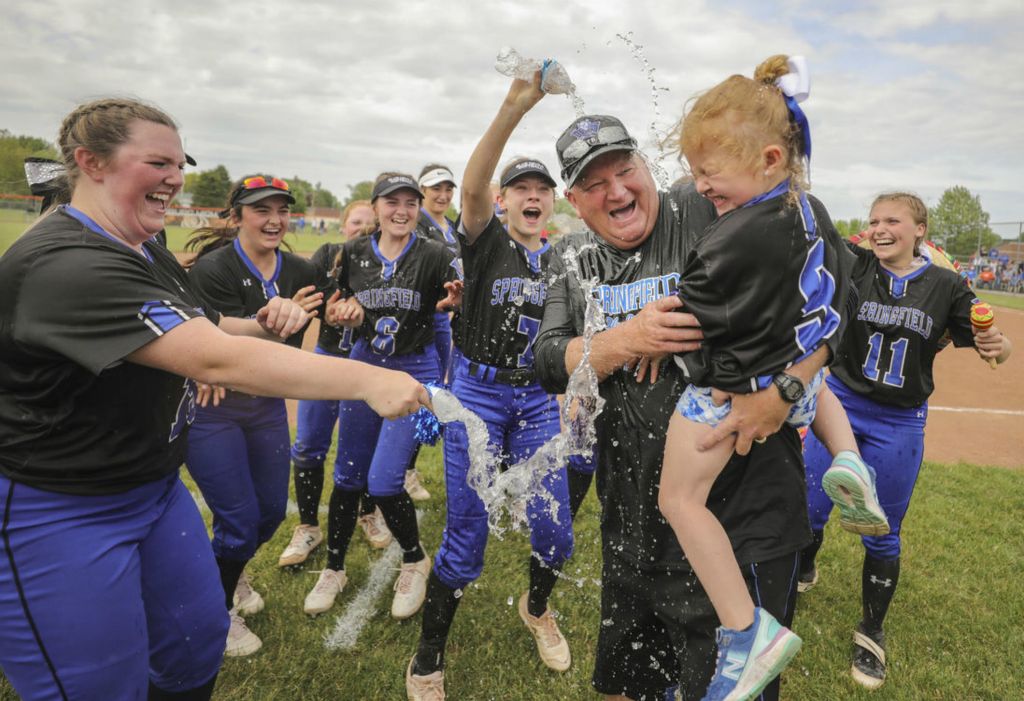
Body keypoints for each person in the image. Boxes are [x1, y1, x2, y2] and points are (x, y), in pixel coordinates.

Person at [0, 98, 427, 701]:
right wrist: (366, 380)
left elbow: (208, 329)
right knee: (98, 686)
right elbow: (212, 357)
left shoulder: (146, 249)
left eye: (180, 162)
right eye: (158, 162)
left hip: (153, 487)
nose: (175, 177)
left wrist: (264, 322)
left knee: (196, 646)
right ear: (89, 163)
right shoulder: (66, 262)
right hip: (59, 508)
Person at [528, 85, 851, 700]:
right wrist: (628, 339)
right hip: (631, 524)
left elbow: (842, 293)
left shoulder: (710, 206)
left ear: (650, 169)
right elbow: (548, 360)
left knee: (733, 688)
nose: (617, 192)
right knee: (632, 685)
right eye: (595, 185)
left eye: (626, 171)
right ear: (572, 198)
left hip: (741, 517)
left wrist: (789, 385)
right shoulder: (570, 258)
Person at [652, 55, 885, 701]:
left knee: (679, 499)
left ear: (770, 159)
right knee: (822, 387)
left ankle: (745, 629)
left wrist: (680, 340)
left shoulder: (743, 232)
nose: (700, 186)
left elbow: (699, 315)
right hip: (805, 380)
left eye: (708, 172)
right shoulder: (811, 210)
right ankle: (850, 462)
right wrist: (796, 372)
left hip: (737, 397)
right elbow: (844, 300)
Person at [406, 82, 589, 697]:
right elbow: (473, 183)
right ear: (504, 201)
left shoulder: (565, 259)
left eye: (542, 190)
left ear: (552, 202)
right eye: (521, 189)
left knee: (556, 532)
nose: (532, 197)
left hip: (537, 401)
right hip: (478, 399)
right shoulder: (485, 245)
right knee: (467, 535)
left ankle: (537, 608)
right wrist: (516, 106)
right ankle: (429, 656)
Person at [799, 192, 1012, 690]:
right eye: (873, 221)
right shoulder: (854, 265)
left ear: (920, 230)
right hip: (839, 405)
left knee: (882, 529)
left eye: (892, 220)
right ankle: (803, 567)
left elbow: (997, 351)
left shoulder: (946, 286)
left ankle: (871, 630)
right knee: (807, 509)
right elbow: (817, 228)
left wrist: (995, 346)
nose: (878, 228)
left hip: (899, 421)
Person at [302, 172, 460, 618]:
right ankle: (334, 567)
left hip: (412, 370)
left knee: (385, 480)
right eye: (392, 202)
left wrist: (457, 304)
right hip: (363, 366)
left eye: (411, 202)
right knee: (348, 476)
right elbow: (338, 309)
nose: (402, 210)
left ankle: (414, 558)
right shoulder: (352, 252)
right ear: (375, 207)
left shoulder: (434, 254)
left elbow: (453, 307)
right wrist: (342, 313)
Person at [183, 175, 325, 656]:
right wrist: (273, 322)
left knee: (266, 514)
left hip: (264, 403)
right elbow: (207, 337)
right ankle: (215, 611)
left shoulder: (300, 268)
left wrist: (348, 308)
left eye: (281, 209)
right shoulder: (214, 267)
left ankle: (233, 568)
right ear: (237, 215)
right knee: (239, 520)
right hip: (213, 407)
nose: (274, 219)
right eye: (261, 209)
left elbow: (341, 299)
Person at [277, 199, 394, 569]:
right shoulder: (329, 254)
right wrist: (327, 305)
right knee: (309, 443)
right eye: (355, 221)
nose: (361, 227)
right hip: (326, 359)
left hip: (366, 363)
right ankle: (309, 524)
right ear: (344, 224)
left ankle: (367, 511)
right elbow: (312, 296)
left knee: (360, 449)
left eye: (368, 223)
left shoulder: (387, 259)